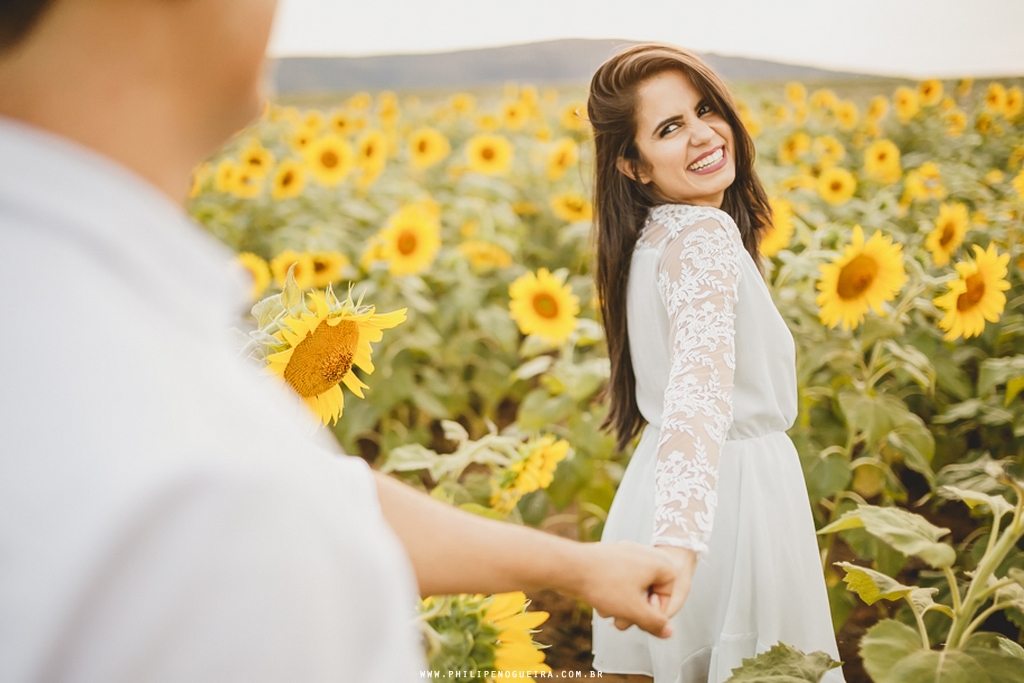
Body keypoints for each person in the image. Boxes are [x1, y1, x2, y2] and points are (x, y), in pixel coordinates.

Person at [0, 3, 686, 681]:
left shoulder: (67, 315)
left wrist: (579, 566)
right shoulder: (209, 502)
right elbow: (247, 484)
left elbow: (318, 486)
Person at [586, 44, 845, 683]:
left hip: (659, 489)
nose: (703, 134)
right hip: (730, 504)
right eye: (669, 128)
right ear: (633, 164)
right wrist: (681, 545)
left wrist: (668, 534)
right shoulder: (702, 237)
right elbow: (699, 397)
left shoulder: (649, 237)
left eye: (705, 109)